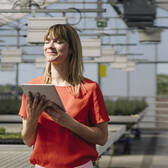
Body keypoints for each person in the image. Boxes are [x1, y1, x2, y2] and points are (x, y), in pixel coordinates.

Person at [19, 24, 110, 168]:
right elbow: (28, 141)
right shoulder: (34, 88)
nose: (50, 46)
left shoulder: (89, 88)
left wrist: (68, 122)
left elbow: (102, 138)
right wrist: (32, 119)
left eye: (58, 41)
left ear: (72, 49)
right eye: (47, 41)